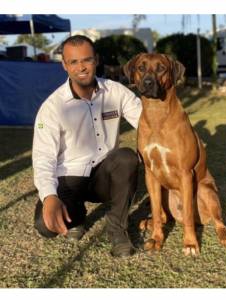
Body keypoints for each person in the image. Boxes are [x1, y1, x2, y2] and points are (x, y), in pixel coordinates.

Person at [32, 35, 142, 257]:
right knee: (45, 227)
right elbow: (43, 158)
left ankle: (117, 231)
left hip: (104, 176)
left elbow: (147, 123)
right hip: (70, 180)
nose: (81, 67)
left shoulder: (116, 92)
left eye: (87, 60)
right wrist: (49, 196)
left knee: (126, 157)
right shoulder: (52, 107)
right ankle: (78, 216)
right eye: (73, 62)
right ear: (64, 65)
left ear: (96, 60)